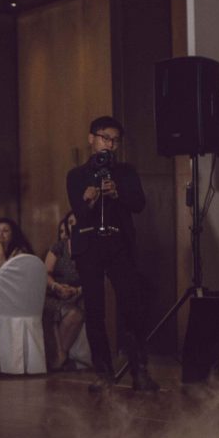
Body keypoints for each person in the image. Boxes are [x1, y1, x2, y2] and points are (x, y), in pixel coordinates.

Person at [66, 116, 158, 392]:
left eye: (115, 140)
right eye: (105, 138)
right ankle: (103, 373)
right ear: (91, 138)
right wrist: (88, 199)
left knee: (132, 306)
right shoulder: (76, 175)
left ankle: (139, 370)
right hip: (89, 246)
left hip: (119, 245)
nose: (110, 144)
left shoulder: (126, 172)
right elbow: (79, 213)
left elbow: (139, 204)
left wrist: (117, 193)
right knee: (94, 311)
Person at [44, 212, 85, 372]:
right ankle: (59, 358)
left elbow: (96, 278)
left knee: (76, 314)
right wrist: (56, 287)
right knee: (60, 312)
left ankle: (57, 358)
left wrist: (77, 290)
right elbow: (45, 273)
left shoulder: (91, 247)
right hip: (54, 294)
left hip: (78, 294)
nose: (73, 225)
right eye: (70, 222)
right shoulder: (59, 247)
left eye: (77, 221)